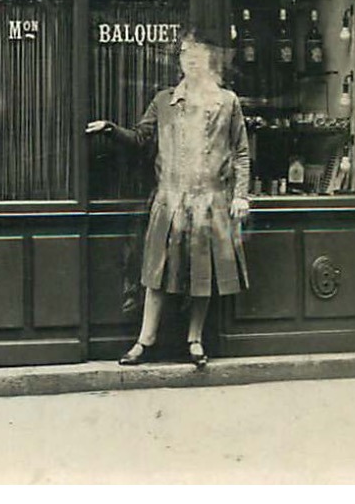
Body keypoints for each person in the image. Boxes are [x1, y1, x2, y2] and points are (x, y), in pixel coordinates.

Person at [86, 34, 251, 368]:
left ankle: (195, 340)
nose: (191, 61)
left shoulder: (227, 102)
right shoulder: (164, 101)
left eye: (198, 56)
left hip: (210, 201)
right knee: (157, 274)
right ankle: (143, 342)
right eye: (185, 55)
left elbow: (241, 152)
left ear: (209, 62)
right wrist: (110, 129)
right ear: (179, 62)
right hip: (171, 199)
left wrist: (241, 195)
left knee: (203, 275)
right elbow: (140, 138)